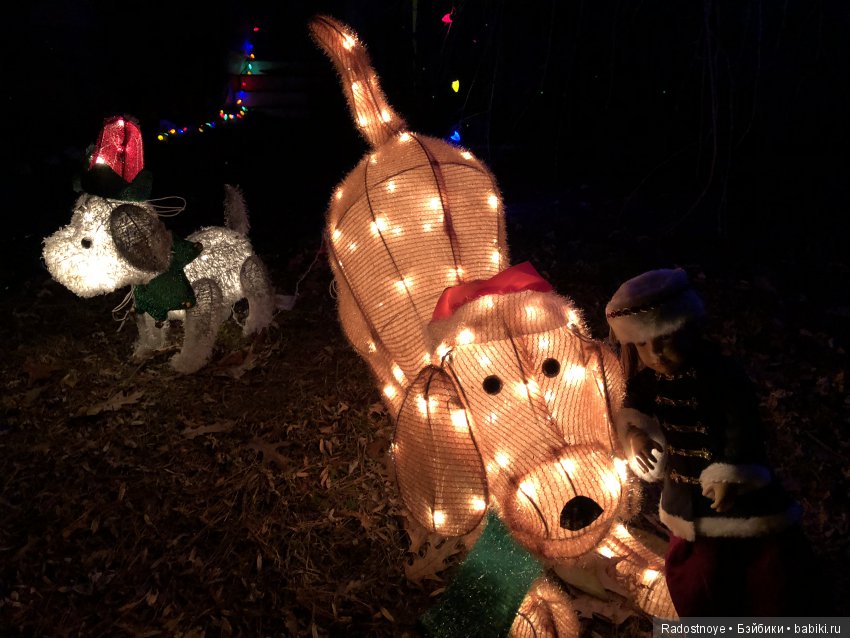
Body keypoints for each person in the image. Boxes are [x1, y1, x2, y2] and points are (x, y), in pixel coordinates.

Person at [605, 268, 827, 617]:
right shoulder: (651, 382)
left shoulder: (721, 375)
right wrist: (634, 434)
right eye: (643, 344)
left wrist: (731, 472)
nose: (656, 353)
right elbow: (633, 406)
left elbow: (743, 424)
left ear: (687, 327)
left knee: (766, 569)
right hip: (685, 494)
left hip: (736, 494)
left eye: (664, 338)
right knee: (697, 575)